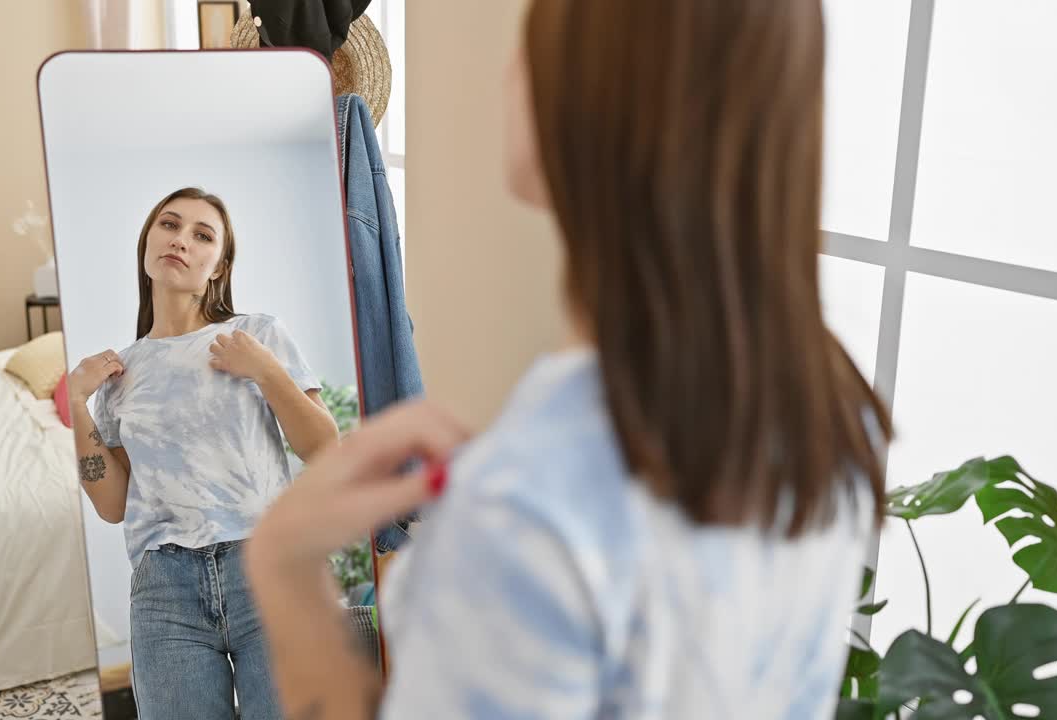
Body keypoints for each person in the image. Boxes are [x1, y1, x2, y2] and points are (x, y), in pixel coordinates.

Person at [242, 0, 893, 718]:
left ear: (583, 107)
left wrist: (288, 579)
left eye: (532, 43)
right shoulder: (827, 423)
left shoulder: (519, 523)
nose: (509, 70)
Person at [67, 187, 340, 720]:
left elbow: (323, 446)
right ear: (147, 242)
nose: (181, 241)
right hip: (166, 593)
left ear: (219, 265)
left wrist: (264, 369)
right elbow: (112, 504)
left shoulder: (255, 334)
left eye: (202, 235)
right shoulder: (119, 375)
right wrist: (77, 401)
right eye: (169, 225)